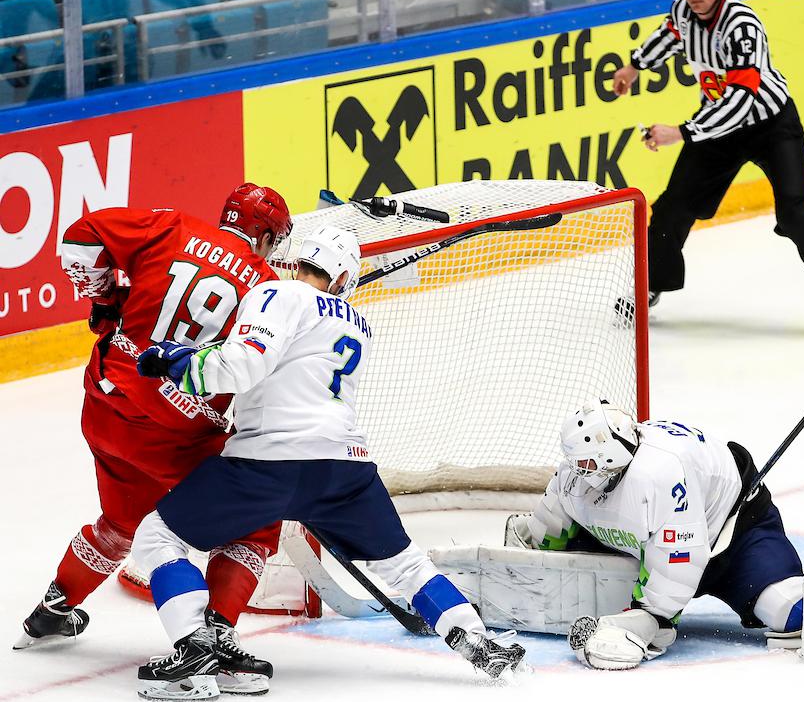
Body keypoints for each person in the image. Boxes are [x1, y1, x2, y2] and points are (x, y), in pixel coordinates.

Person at [129, 226, 525, 699]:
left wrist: (179, 364)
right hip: (345, 469)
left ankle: (194, 652)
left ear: (299, 262)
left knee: (157, 536)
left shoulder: (276, 291)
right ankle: (478, 641)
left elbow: (245, 364)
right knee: (405, 564)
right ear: (343, 279)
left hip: (268, 463)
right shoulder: (359, 322)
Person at [16, 185, 292, 691]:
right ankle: (213, 640)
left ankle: (53, 609)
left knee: (122, 521)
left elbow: (79, 241)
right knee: (254, 527)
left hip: (107, 408)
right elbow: (264, 374)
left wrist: (106, 297)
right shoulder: (268, 288)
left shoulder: (171, 226)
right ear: (267, 236)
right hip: (177, 437)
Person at [610, 0, 804, 318]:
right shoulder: (684, 9)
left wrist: (682, 132)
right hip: (718, 128)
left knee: (798, 216)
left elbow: (741, 101)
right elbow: (669, 33)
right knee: (671, 209)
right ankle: (651, 286)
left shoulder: (741, 25)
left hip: (770, 126)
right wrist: (634, 66)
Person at [518, 400, 804, 670]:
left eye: (587, 464)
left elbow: (683, 556)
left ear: (611, 455)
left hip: (734, 534)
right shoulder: (579, 472)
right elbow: (553, 519)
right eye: (576, 463)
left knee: (792, 610)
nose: (579, 471)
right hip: (652, 548)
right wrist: (528, 555)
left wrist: (651, 619)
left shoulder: (660, 473)